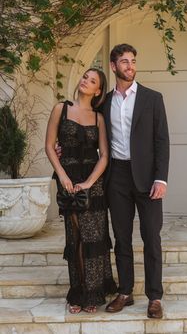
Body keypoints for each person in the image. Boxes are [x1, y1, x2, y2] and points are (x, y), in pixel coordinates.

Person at [103, 43, 169, 319]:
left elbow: (162, 141)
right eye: (124, 62)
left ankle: (154, 297)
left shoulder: (152, 98)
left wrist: (161, 178)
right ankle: (125, 292)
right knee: (122, 238)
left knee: (151, 237)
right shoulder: (104, 102)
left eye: (132, 61)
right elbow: (90, 133)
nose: (130, 66)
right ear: (114, 66)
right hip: (116, 176)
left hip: (146, 177)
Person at [45, 68, 117, 314]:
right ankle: (78, 293)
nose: (85, 81)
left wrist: (88, 183)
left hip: (92, 183)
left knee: (94, 239)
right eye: (85, 77)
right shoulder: (60, 109)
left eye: (92, 80)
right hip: (68, 180)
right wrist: (63, 176)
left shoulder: (98, 118)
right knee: (75, 237)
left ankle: (94, 294)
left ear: (98, 91)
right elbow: (48, 146)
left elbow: (105, 155)